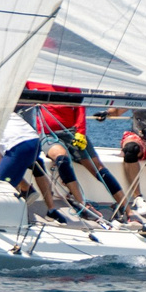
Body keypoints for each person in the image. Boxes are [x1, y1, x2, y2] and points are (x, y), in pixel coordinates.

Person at [26, 81, 131, 224]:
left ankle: (126, 209)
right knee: (61, 158)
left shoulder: (69, 84)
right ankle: (82, 204)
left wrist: (80, 133)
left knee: (98, 168)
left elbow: (80, 108)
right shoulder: (32, 82)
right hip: (48, 134)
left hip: (73, 132)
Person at [0, 107, 65, 219]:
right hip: (34, 142)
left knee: (2, 187)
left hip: (18, 147)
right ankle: (51, 209)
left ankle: (12, 217)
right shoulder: (6, 110)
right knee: (36, 167)